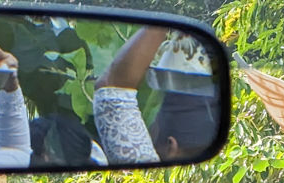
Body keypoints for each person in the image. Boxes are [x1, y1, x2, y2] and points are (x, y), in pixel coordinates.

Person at [93, 26, 217, 164]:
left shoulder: (142, 171)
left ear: (171, 146)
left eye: (152, 126)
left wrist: (160, 24)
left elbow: (112, 91)